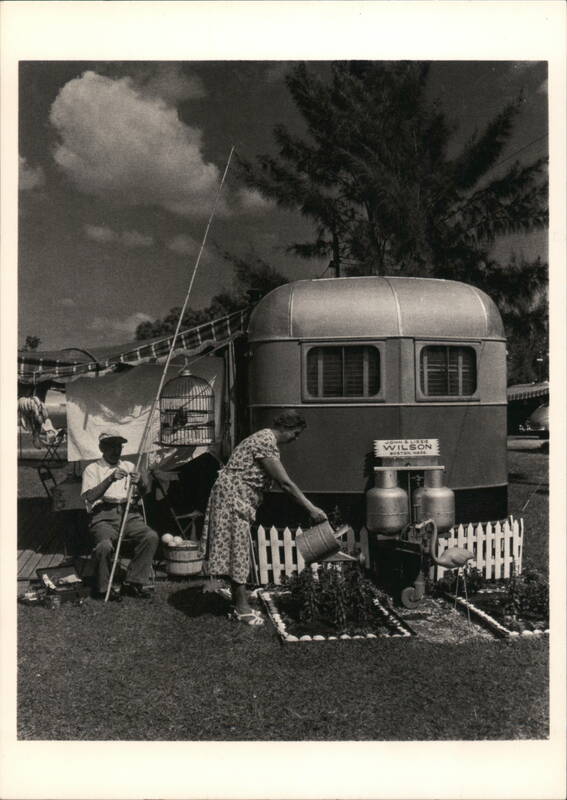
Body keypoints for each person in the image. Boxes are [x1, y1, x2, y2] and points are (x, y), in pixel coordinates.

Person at [200, 410, 327, 625]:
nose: (295, 439)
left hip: (235, 496)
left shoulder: (263, 438)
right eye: (295, 434)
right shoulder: (265, 441)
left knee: (236, 548)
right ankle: (241, 609)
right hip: (233, 498)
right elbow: (285, 483)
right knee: (237, 550)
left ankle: (237, 596)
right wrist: (311, 508)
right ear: (285, 427)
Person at [81, 432, 159, 601]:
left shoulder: (129, 466)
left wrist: (141, 482)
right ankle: (104, 587)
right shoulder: (92, 469)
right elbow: (90, 497)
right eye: (111, 446)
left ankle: (134, 582)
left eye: (119, 446)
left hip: (128, 513)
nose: (116, 450)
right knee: (104, 546)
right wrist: (110, 479)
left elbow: (144, 492)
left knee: (150, 537)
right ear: (102, 448)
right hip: (103, 514)